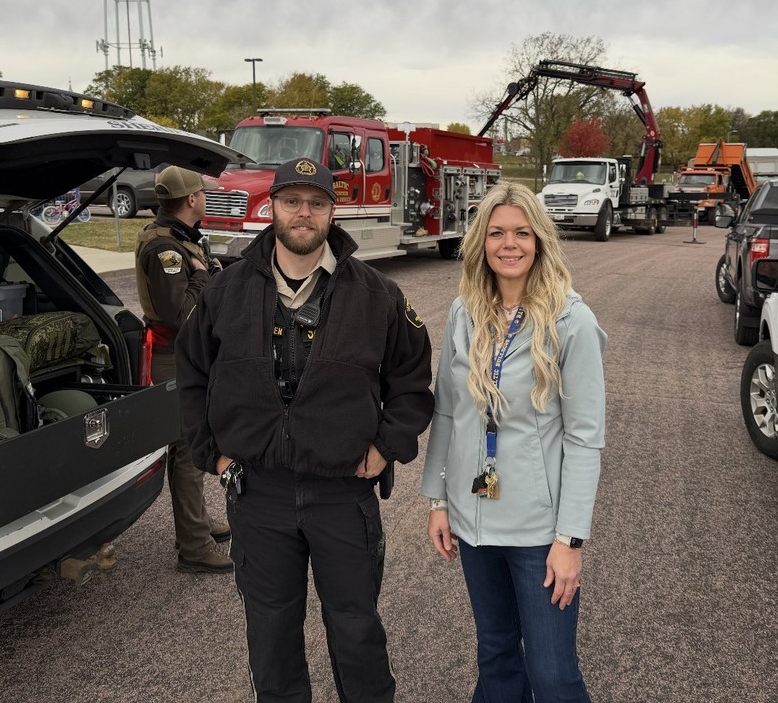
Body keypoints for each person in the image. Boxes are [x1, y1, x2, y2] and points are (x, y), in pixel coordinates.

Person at [177, 157, 434, 703]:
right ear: (271, 208)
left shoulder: (377, 295)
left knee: (356, 629)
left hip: (343, 492)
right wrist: (213, 457)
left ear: (332, 211)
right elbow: (191, 378)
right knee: (271, 636)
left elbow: (412, 382)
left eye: (316, 203)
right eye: (292, 201)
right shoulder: (225, 293)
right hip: (258, 493)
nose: (303, 213)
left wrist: (387, 447)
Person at [421, 180, 606, 703]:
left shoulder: (572, 321)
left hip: (537, 532)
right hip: (474, 521)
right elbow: (448, 412)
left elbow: (586, 439)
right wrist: (438, 500)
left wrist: (570, 540)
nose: (510, 244)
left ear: (540, 241)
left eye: (522, 233)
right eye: (497, 232)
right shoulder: (464, 312)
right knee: (497, 657)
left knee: (551, 673)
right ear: (481, 241)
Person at [135, 165, 232, 574]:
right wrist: (205, 277)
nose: (206, 198)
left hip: (188, 352)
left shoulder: (178, 238)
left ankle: (196, 523)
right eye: (203, 194)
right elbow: (180, 314)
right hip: (174, 354)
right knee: (188, 448)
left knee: (191, 445)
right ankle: (193, 546)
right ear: (191, 199)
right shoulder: (166, 250)